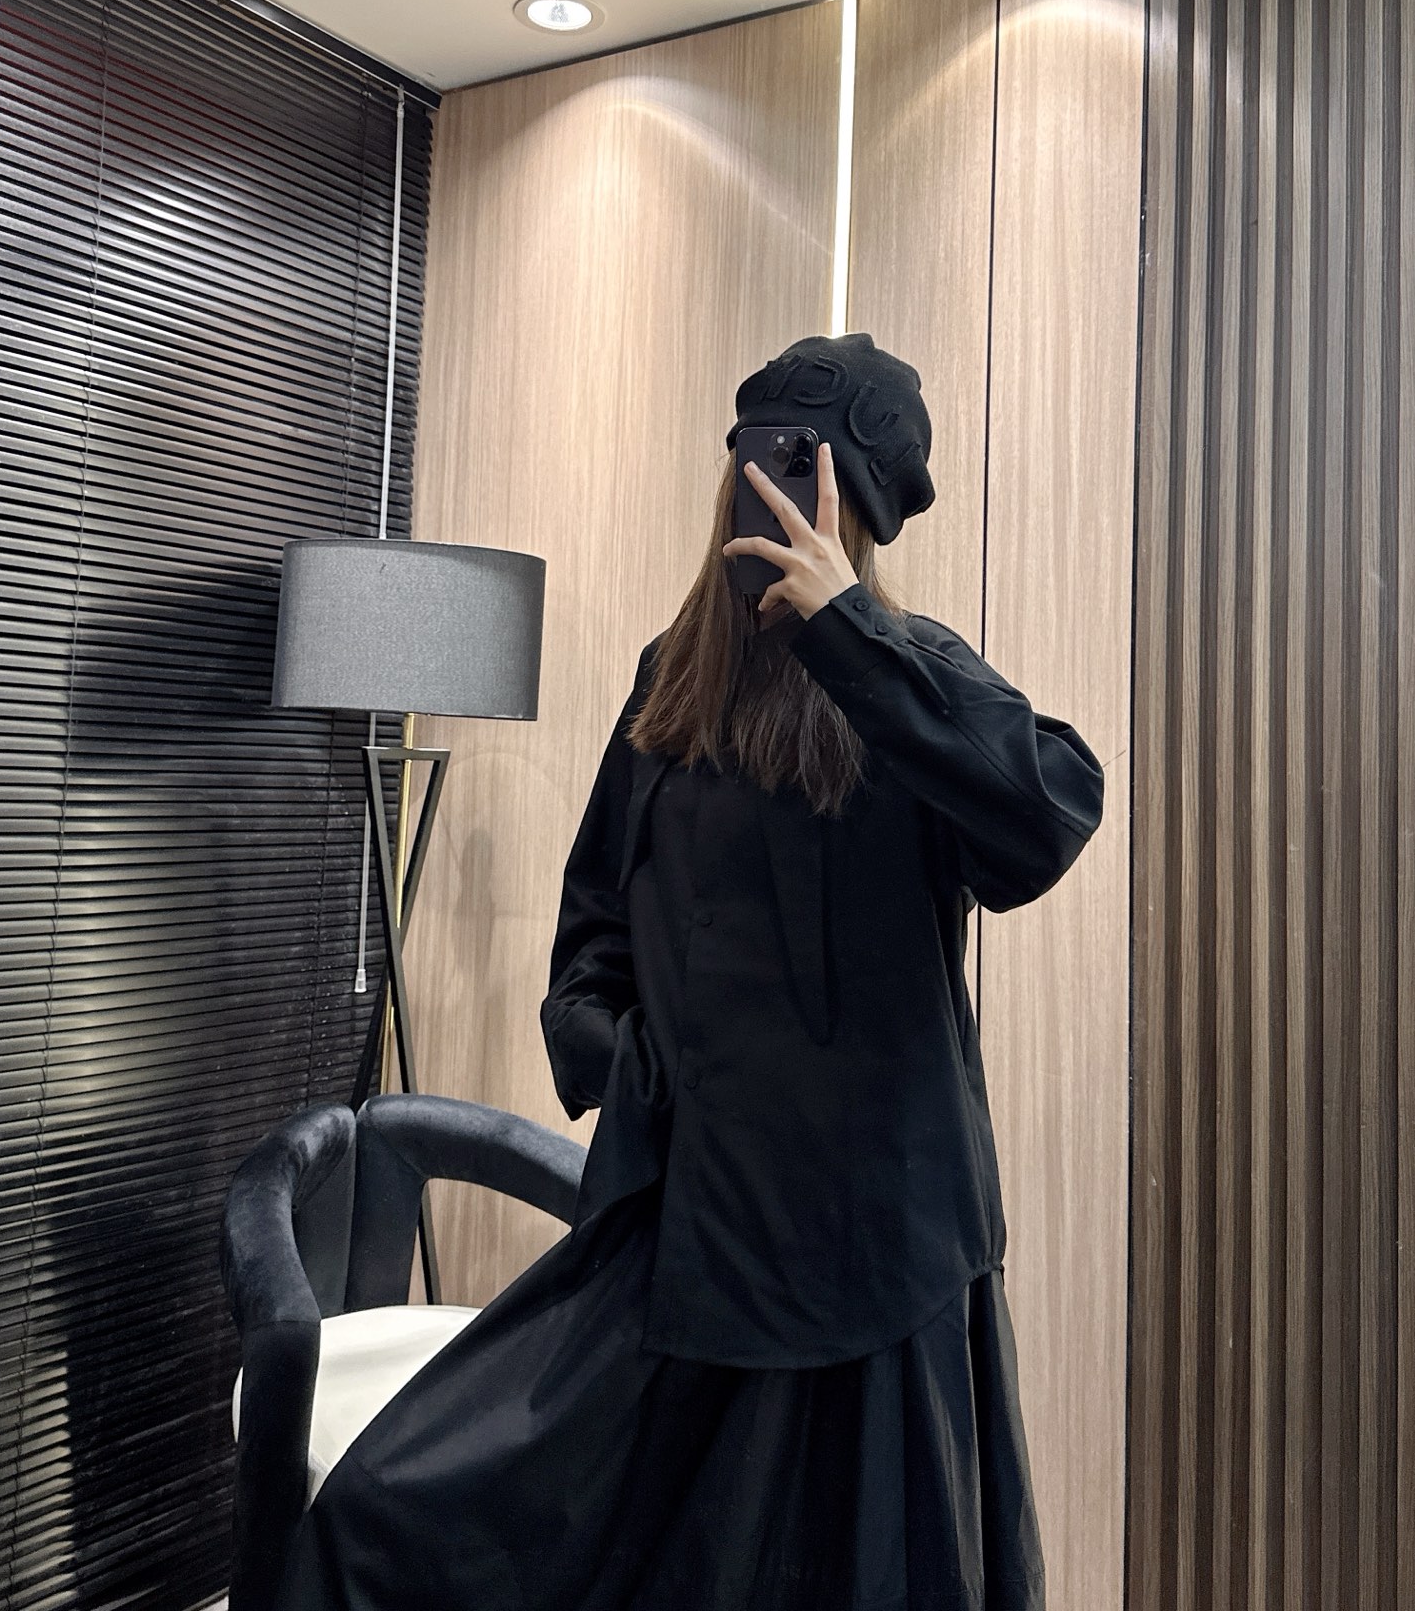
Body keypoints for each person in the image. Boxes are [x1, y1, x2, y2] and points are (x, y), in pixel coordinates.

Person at [274, 331, 1105, 1611]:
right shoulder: (667, 687)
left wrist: (846, 634)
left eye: (806, 472)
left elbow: (1046, 815)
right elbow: (591, 938)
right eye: (754, 460)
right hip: (684, 1234)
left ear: (857, 508)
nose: (768, 492)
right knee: (384, 1516)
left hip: (876, 1259)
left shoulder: (913, 678)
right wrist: (640, 1069)